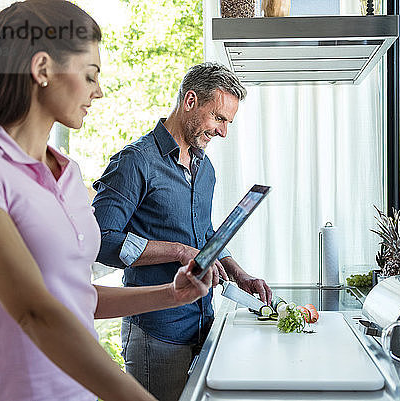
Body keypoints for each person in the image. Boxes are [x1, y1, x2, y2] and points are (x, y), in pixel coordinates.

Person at [0, 2, 218, 400]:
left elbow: (79, 299)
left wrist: (171, 295)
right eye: (90, 75)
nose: (99, 91)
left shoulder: (68, 173)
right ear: (42, 70)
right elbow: (35, 311)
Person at [92, 62, 273, 401]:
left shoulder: (205, 168)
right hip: (155, 332)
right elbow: (101, 241)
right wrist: (177, 251)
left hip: (202, 322)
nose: (223, 132)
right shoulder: (135, 162)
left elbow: (204, 234)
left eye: (228, 123)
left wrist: (239, 275)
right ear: (190, 100)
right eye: (218, 118)